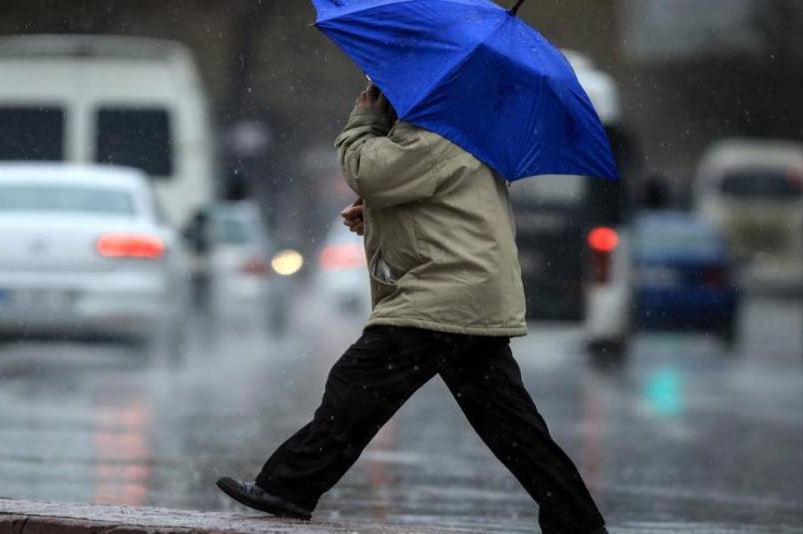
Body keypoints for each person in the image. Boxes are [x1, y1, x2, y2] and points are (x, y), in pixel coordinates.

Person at [216, 84, 607, 534]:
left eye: (378, 88)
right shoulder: (457, 129)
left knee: (358, 385)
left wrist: (363, 123)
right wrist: (378, 211)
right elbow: (435, 201)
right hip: (467, 294)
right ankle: (577, 520)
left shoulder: (434, 130)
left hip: (443, 293)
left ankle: (290, 485)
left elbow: (368, 170)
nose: (371, 95)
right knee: (513, 428)